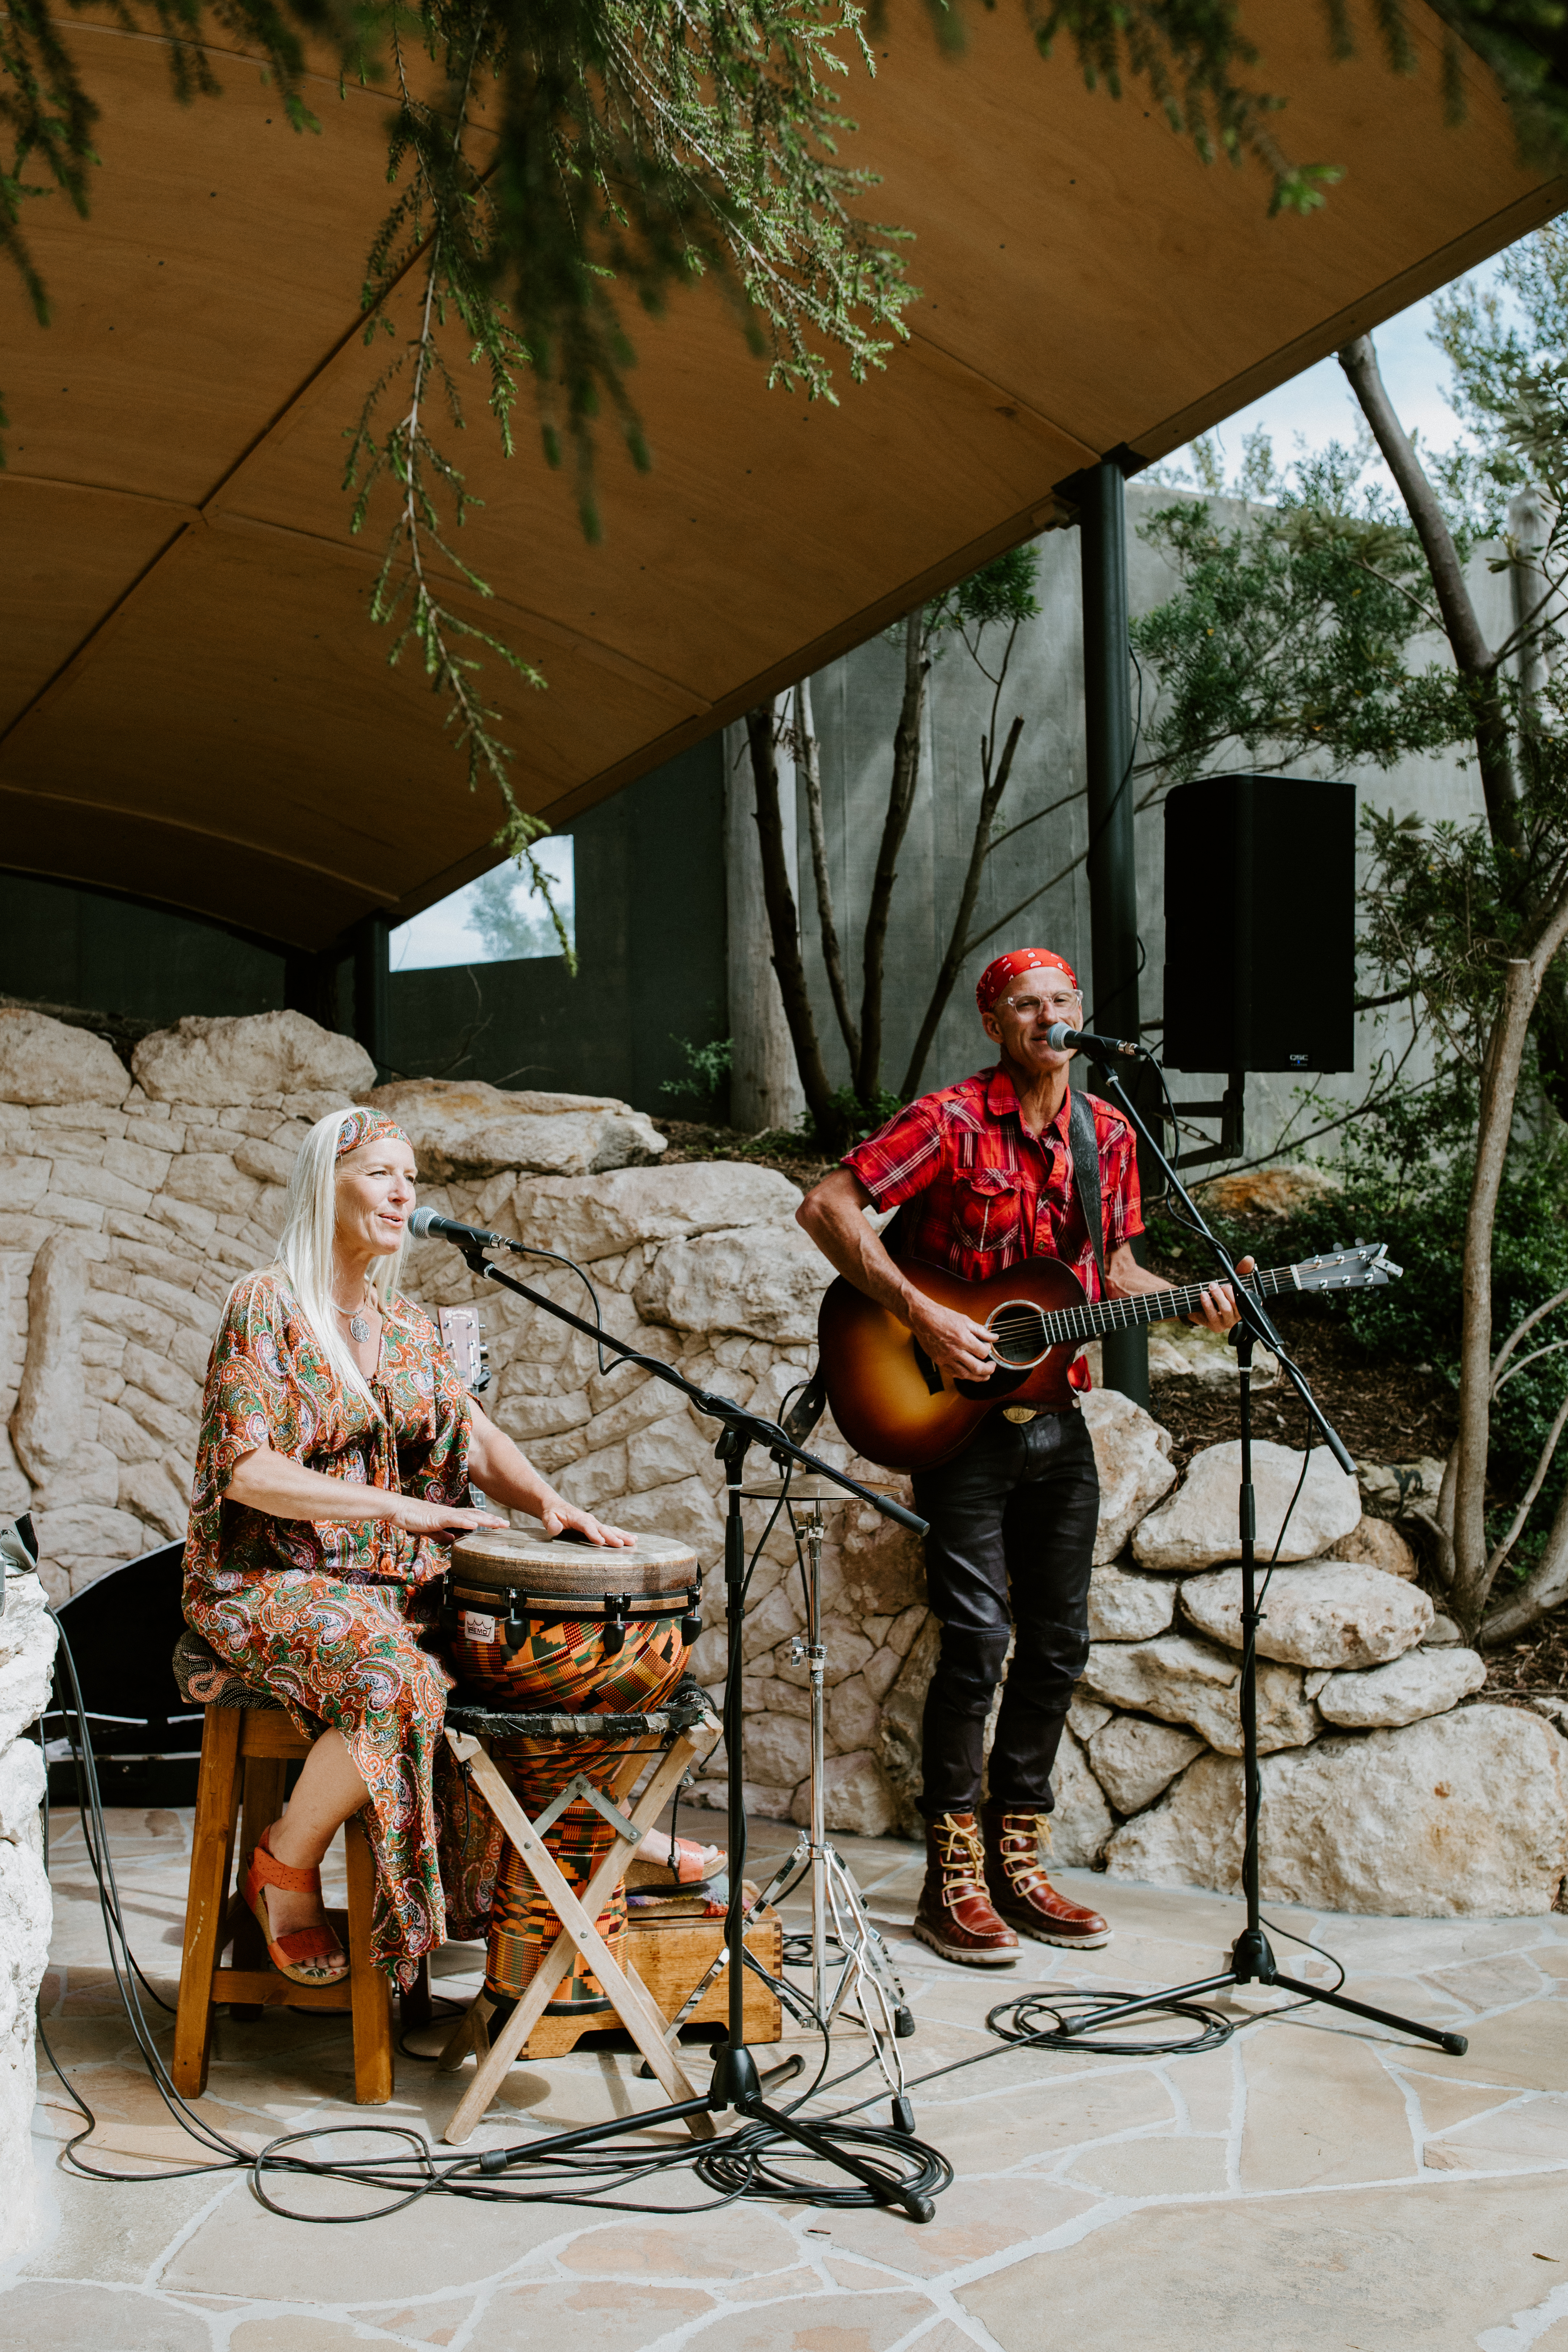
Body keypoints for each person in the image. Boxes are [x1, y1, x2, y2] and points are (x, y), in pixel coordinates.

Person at [796, 949, 1249, 1967]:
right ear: (995, 1024)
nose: (1048, 1017)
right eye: (1026, 1005)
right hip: (950, 1414)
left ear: (1078, 1016)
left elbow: (1114, 1267)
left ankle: (1017, 1858)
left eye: (1061, 1002)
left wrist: (1197, 1297)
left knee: (1056, 1645)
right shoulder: (948, 1120)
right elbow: (826, 1207)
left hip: (1057, 1413)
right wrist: (921, 1312)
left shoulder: (1108, 1136)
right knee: (975, 1640)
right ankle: (945, 1880)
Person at [182, 1106, 696, 2001]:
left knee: (536, 1657)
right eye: (381, 1171)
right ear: (323, 1185)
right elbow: (248, 1470)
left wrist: (551, 1504)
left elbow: (474, 1434)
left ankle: (586, 1829)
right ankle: (283, 1861)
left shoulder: (409, 1325)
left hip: (393, 1582)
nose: (403, 1190)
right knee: (400, 1683)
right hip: (273, 1578)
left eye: (410, 1176)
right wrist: (398, 1508)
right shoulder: (264, 1304)